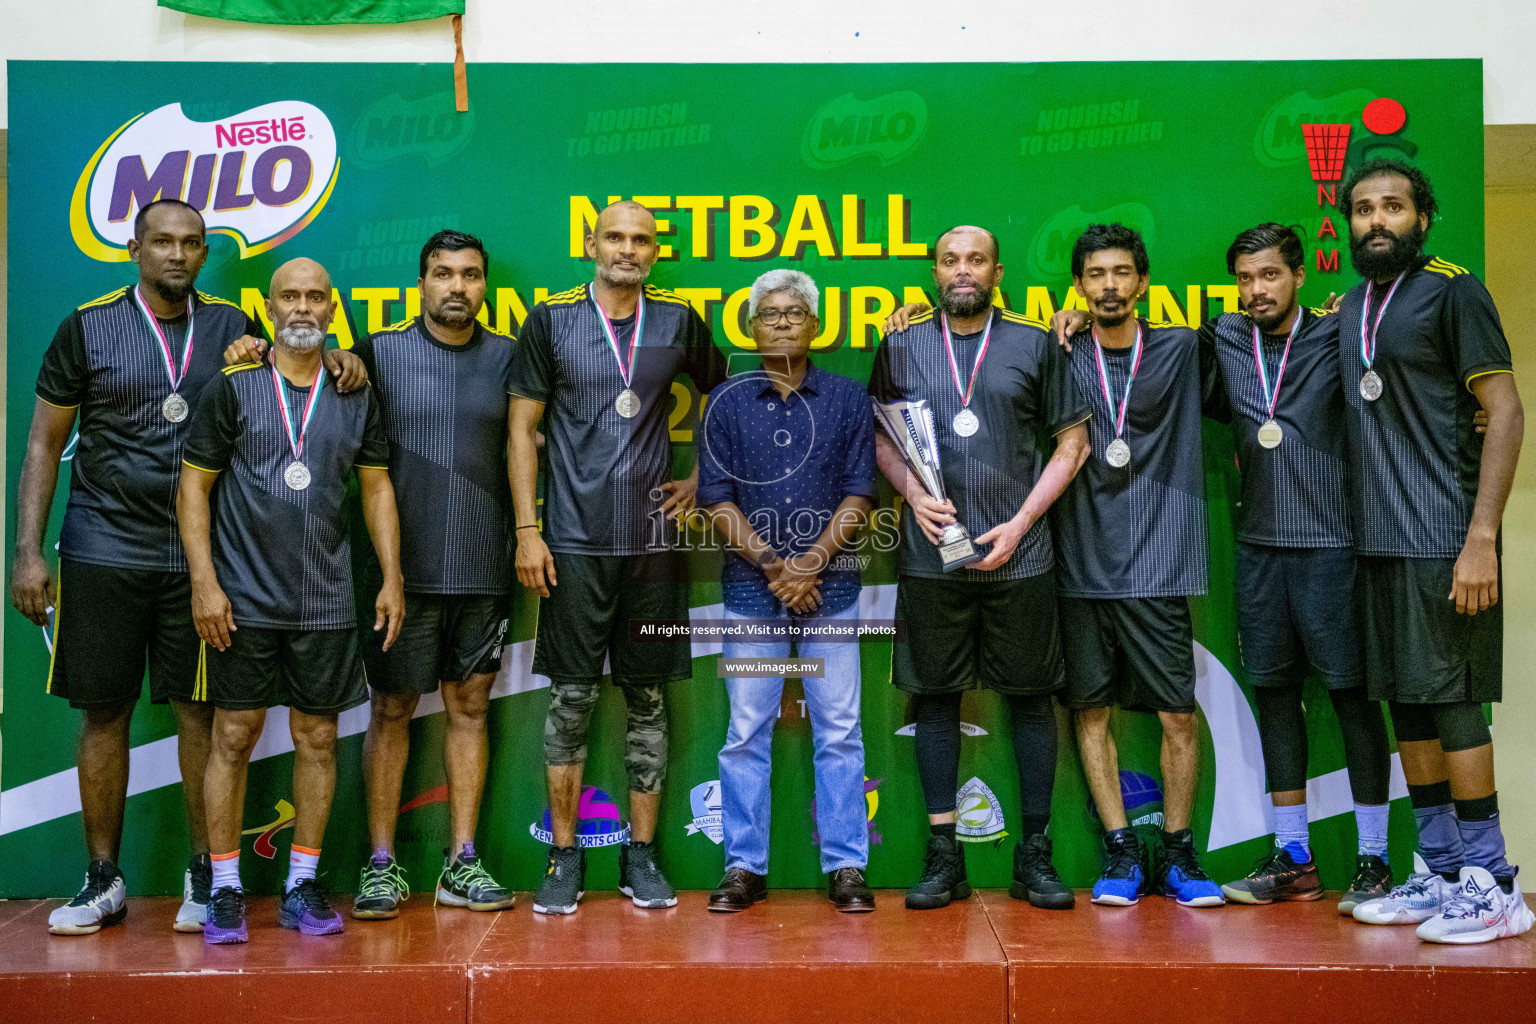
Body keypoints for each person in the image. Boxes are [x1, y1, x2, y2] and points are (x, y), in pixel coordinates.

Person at [10, 199, 361, 936]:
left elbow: (299, 366)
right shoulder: (88, 325)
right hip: (104, 543)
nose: (177, 254)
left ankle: (208, 876)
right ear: (133, 248)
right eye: (162, 242)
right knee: (103, 710)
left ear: (206, 255)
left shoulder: (236, 327)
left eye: (192, 244)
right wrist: (27, 551)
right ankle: (103, 878)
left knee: (201, 712)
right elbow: (45, 442)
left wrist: (338, 358)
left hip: (202, 560)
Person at [1052, 224, 1395, 913]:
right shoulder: (1218, 340)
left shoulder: (1325, 333)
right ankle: (1293, 855)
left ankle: (1375, 857)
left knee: (1353, 697)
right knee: (1273, 693)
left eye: (1269, 276)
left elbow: (1407, 387)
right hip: (1253, 547)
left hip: (1330, 543)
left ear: (1298, 275)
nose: (1255, 290)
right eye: (1245, 279)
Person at [230, 232, 517, 918]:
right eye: (443, 274)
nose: (457, 286)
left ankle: (462, 862)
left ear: (484, 286)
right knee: (390, 709)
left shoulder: (510, 357)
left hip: (483, 566)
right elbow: (299, 371)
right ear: (420, 283)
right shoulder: (375, 357)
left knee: (470, 709)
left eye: (470, 275)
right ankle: (382, 863)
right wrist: (246, 349)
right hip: (399, 573)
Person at [1329, 160, 1533, 944]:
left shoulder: (1453, 289)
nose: (1377, 220)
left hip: (1446, 537)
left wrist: (1481, 538)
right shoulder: (1352, 305)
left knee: (1454, 708)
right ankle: (1442, 870)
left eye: (1393, 206)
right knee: (1407, 706)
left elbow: (1505, 411)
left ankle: (1492, 884)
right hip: (1379, 543)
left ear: (1423, 215)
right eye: (1363, 209)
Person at [508, 201, 727, 914]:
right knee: (570, 701)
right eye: (616, 238)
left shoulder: (677, 321)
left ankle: (641, 857)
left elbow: (728, 399)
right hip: (571, 541)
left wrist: (703, 479)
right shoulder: (551, 321)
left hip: (655, 546)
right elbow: (522, 429)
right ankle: (564, 857)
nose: (627, 250)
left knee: (648, 700)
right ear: (591, 245)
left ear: (655, 252)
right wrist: (525, 530)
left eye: (641, 240)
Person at [178, 258, 403, 944]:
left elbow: (376, 489)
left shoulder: (355, 390)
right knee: (234, 736)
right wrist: (205, 583)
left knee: (316, 739)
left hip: (327, 601)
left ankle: (302, 885)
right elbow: (193, 488)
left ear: (332, 309)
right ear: (268, 308)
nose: (302, 307)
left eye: (315, 297)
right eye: (289, 296)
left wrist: (392, 577)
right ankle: (223, 890)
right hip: (242, 601)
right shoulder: (233, 387)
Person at [870, 226, 1091, 912]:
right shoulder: (900, 343)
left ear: (998, 269)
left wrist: (1022, 522)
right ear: (933, 270)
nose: (962, 270)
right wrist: (913, 496)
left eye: (976, 260)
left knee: (1030, 699)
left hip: (1020, 557)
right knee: (934, 699)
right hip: (932, 558)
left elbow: (1073, 443)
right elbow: (881, 438)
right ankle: (944, 858)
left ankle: (1034, 855)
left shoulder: (1035, 343)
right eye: (949, 260)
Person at [1050, 224, 1226, 909]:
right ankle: (1120, 851)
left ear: (1144, 282)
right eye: (1096, 275)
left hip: (1160, 565)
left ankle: (1179, 854)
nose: (1110, 286)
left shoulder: (1183, 349)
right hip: (1079, 563)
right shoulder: (1058, 351)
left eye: (1122, 273)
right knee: (1090, 711)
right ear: (1079, 285)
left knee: (1176, 715)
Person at [698, 269, 877, 913]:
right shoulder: (724, 402)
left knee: (839, 730)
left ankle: (847, 866)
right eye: (767, 313)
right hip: (752, 595)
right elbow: (715, 500)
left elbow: (862, 490)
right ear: (749, 328)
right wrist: (779, 567)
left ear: (815, 325)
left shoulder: (849, 399)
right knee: (746, 729)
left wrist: (811, 566)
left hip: (831, 595)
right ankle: (744, 865)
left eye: (793, 312)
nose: (780, 322)